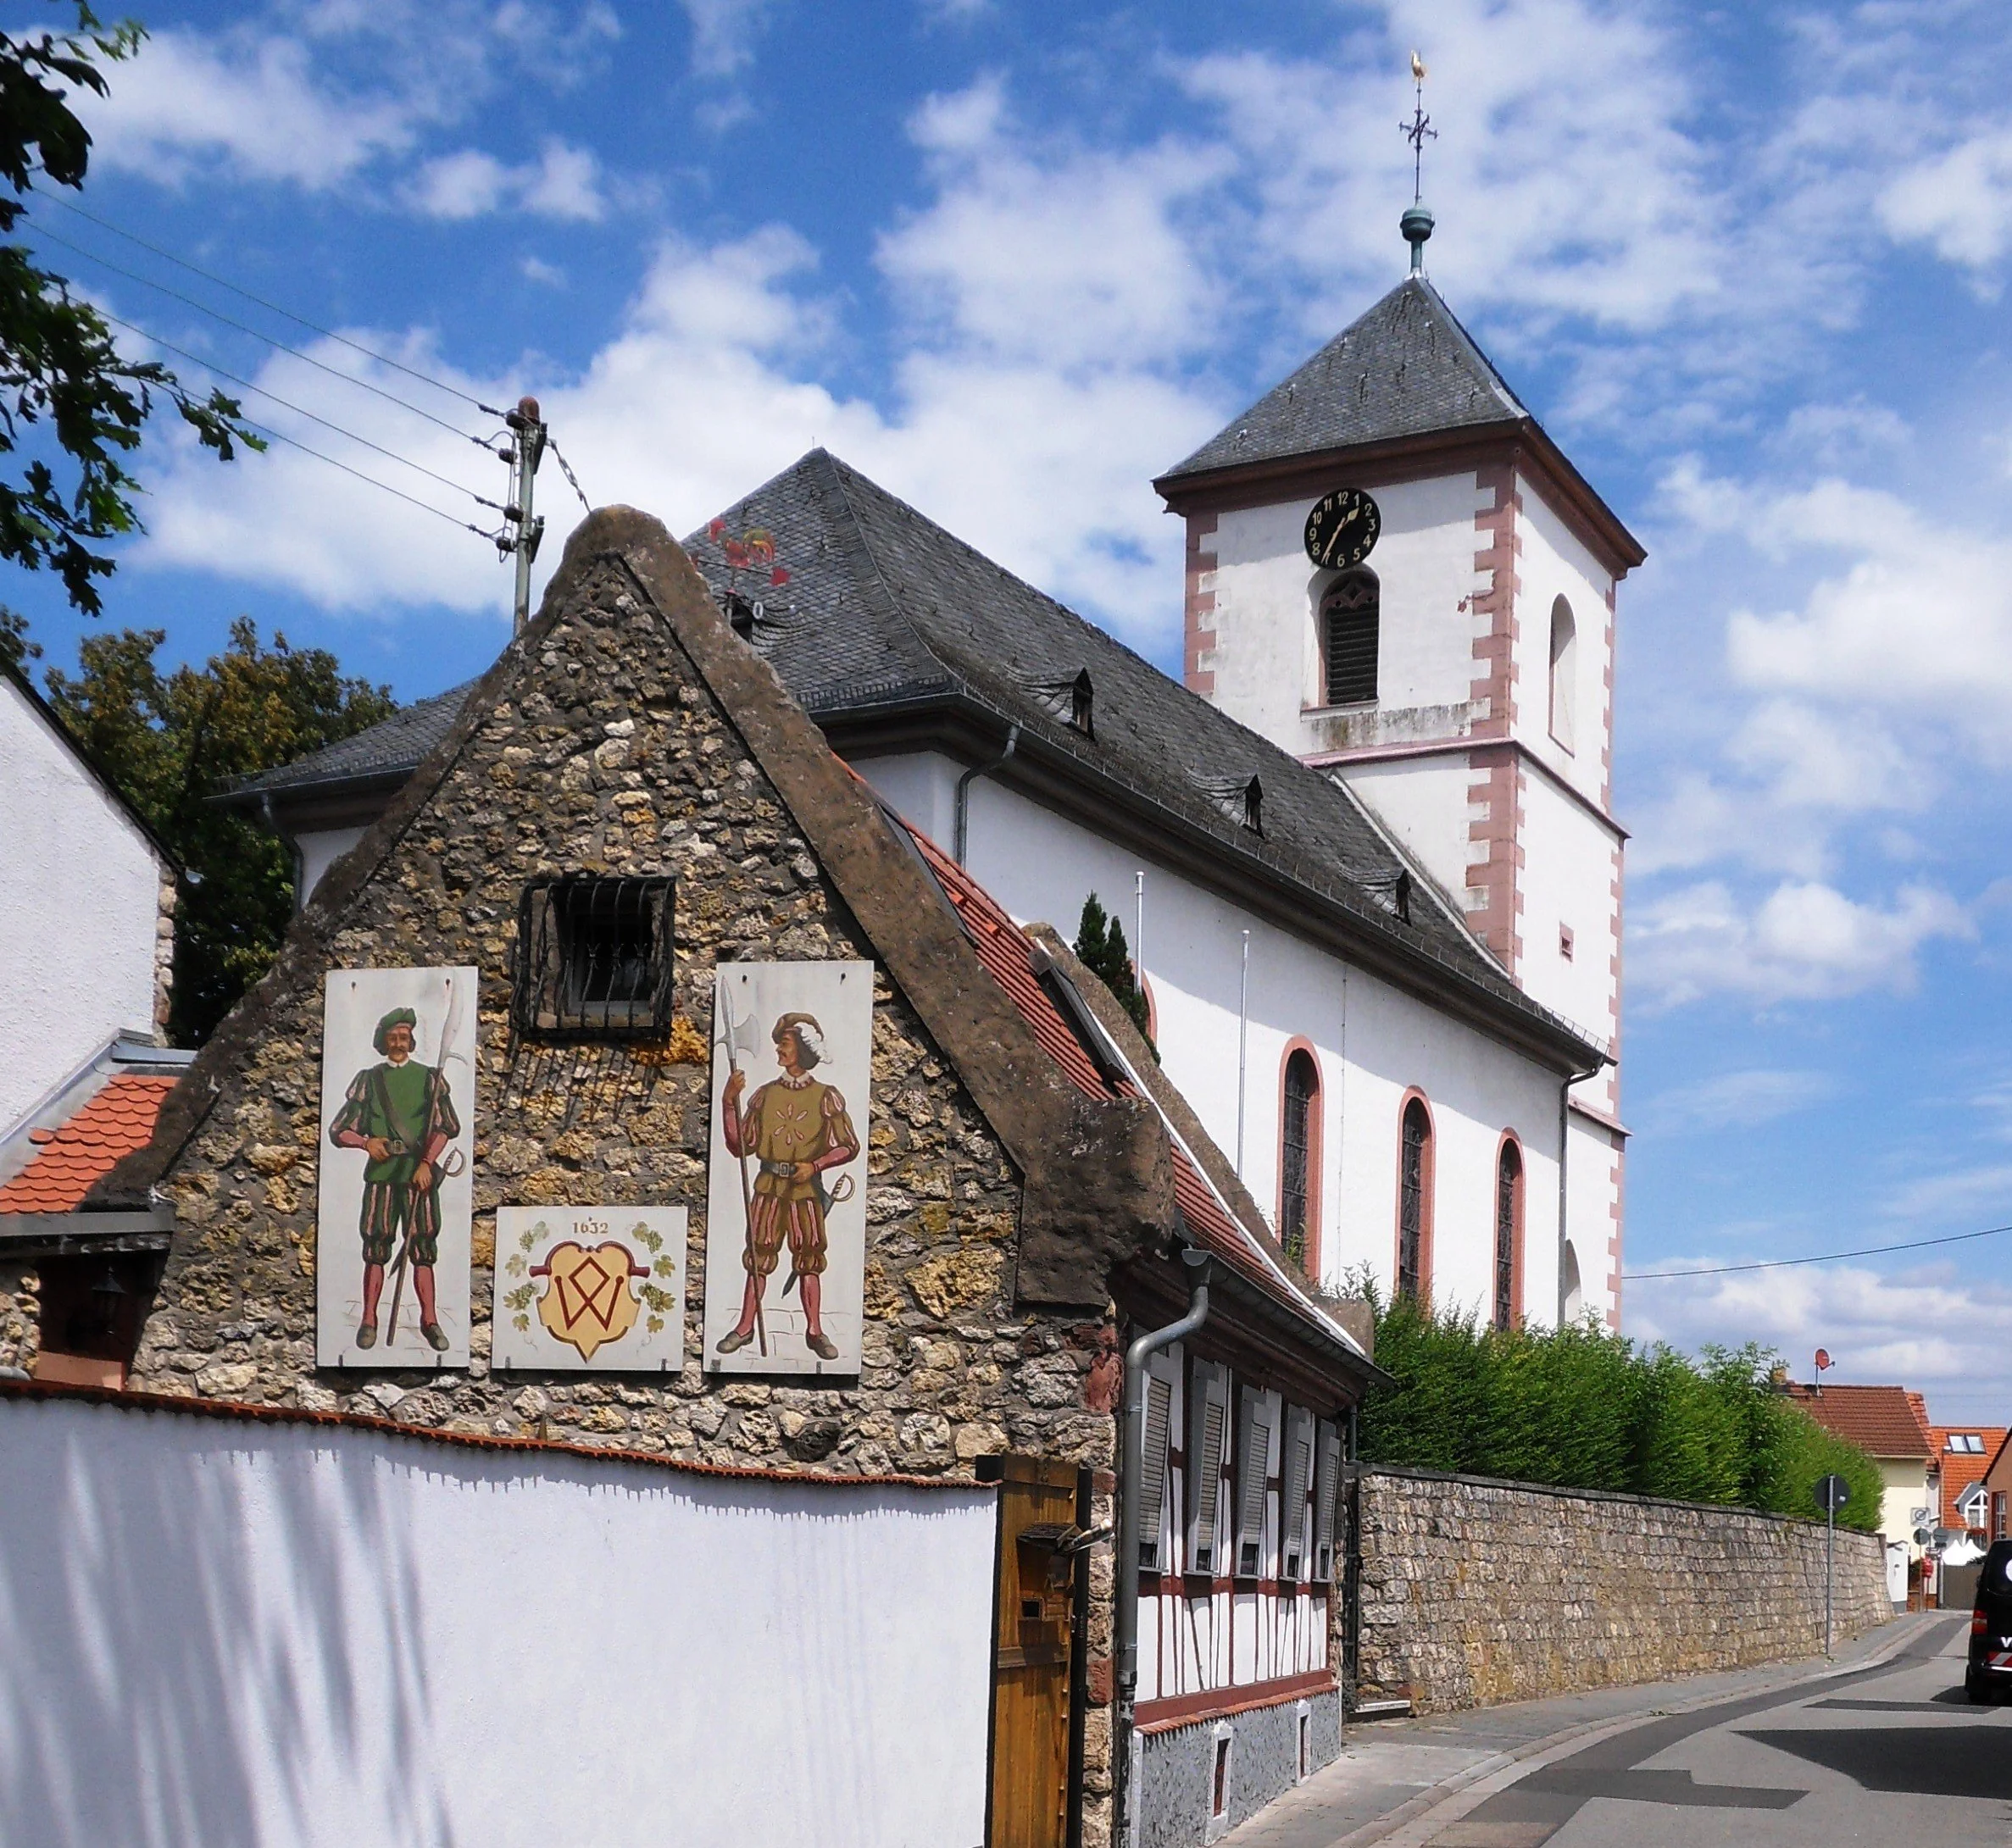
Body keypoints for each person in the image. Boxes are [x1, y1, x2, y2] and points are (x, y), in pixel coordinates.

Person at [717, 1010, 860, 1361]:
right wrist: (728, 1102)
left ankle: (814, 1331)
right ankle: (745, 1328)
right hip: (768, 1186)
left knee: (809, 1256)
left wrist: (816, 1165)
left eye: (784, 1043)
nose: (779, 1050)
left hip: (805, 1189)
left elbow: (849, 1146)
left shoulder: (826, 1096)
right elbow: (740, 1146)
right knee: (758, 1255)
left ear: (803, 1049)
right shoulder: (764, 1095)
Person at [328, 1007, 460, 1352]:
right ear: (383, 1042)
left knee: (423, 1248)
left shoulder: (429, 1078)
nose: (399, 1043)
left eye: (404, 1037)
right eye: (393, 1037)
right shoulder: (369, 1080)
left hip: (418, 1175)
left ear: (411, 1041)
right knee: (376, 1247)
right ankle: (369, 1320)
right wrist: (366, 1143)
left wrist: (427, 1163)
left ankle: (429, 1320)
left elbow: (445, 1127)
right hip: (382, 1176)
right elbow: (339, 1130)